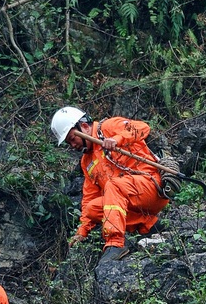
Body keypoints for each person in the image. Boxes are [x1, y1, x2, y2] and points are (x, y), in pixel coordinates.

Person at [52, 108, 170, 262]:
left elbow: (143, 128)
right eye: (69, 143)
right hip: (128, 199)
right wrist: (82, 230)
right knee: (92, 209)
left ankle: (115, 243)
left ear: (84, 126)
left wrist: (118, 139)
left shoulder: (108, 126)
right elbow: (89, 197)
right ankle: (150, 224)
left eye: (73, 138)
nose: (73, 145)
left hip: (150, 188)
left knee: (113, 185)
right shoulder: (86, 162)